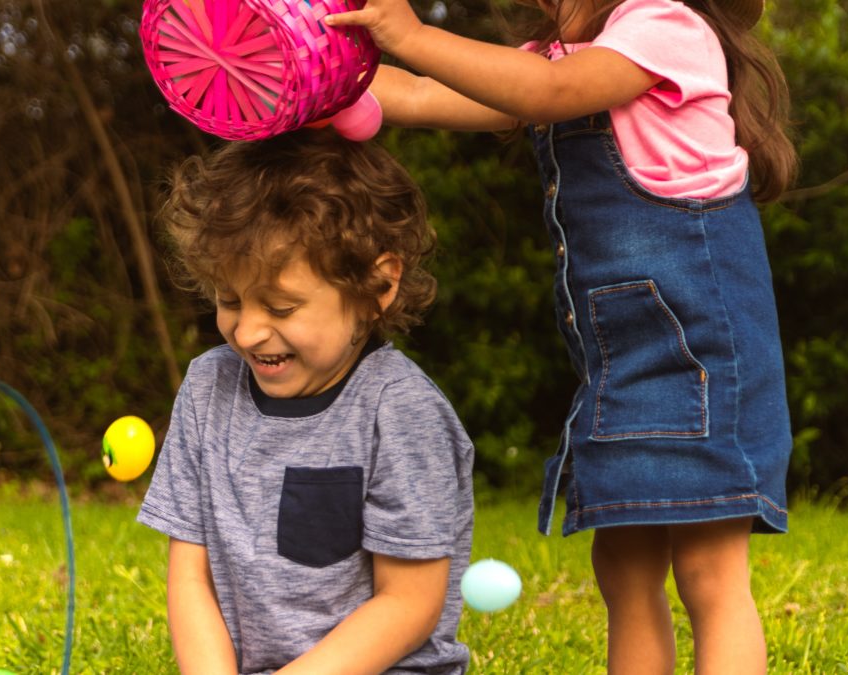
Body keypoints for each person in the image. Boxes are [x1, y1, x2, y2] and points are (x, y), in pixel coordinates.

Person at [327, 0, 797, 672]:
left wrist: (414, 34)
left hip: (703, 359)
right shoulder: (556, 63)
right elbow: (431, 90)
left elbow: (548, 94)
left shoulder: (667, 28)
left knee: (709, 573)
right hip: (622, 365)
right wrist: (330, 87)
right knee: (623, 567)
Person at [137, 129, 475, 674]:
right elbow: (190, 575)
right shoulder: (207, 389)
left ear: (376, 287)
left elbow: (408, 603)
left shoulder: (400, 411)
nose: (246, 332)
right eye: (229, 300)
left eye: (281, 306)